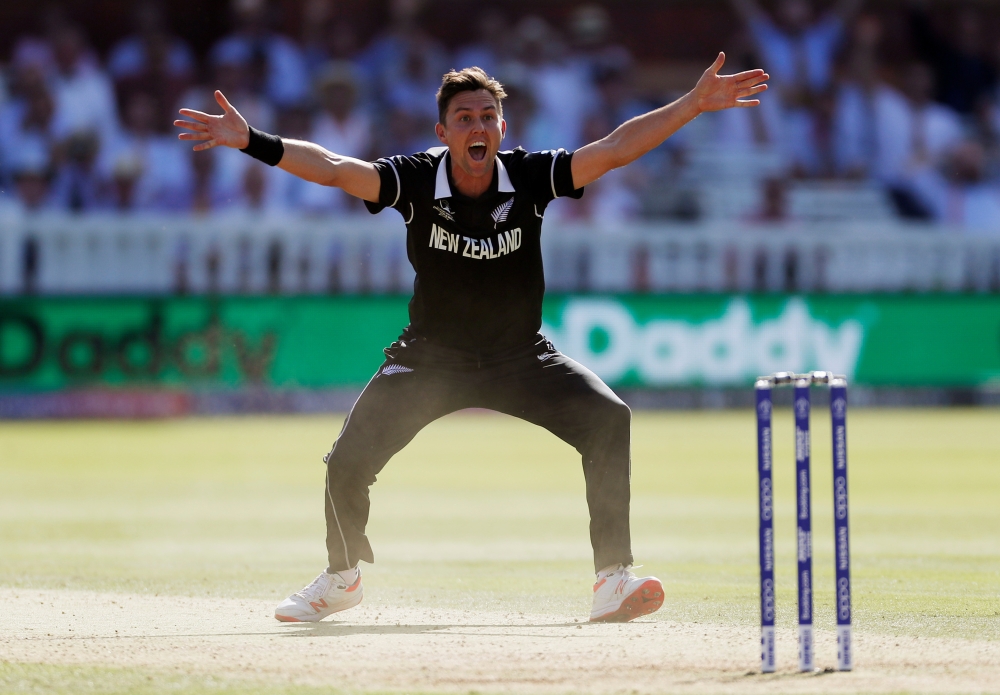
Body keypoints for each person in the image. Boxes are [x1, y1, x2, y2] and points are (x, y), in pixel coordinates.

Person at [175, 57, 769, 623]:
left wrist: (692, 104)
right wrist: (252, 139)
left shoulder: (531, 177)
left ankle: (613, 578)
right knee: (344, 466)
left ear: (502, 127)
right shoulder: (413, 181)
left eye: (488, 117)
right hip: (431, 359)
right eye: (465, 118)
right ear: (444, 131)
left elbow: (612, 151)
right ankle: (341, 577)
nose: (478, 126)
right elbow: (333, 168)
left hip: (520, 356)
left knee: (608, 418)